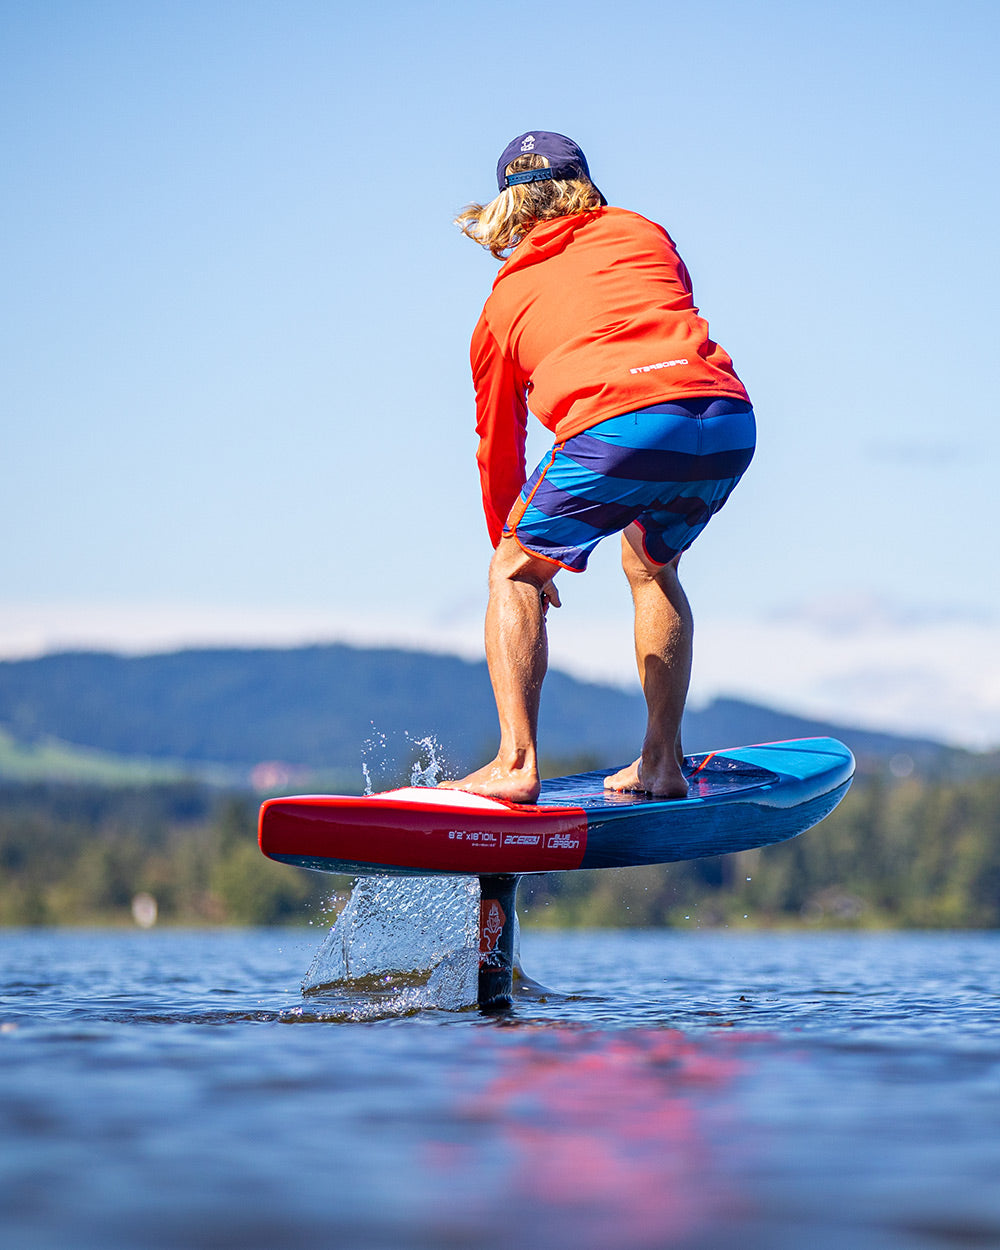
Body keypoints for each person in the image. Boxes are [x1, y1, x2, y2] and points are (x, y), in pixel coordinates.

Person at [440, 131, 755, 804]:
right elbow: (664, 317)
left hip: (621, 424)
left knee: (511, 570)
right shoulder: (646, 232)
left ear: (512, 209)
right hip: (725, 419)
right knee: (651, 565)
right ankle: (662, 763)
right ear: (585, 184)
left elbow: (498, 444)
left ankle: (514, 765)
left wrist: (524, 559)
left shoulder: (501, 305)